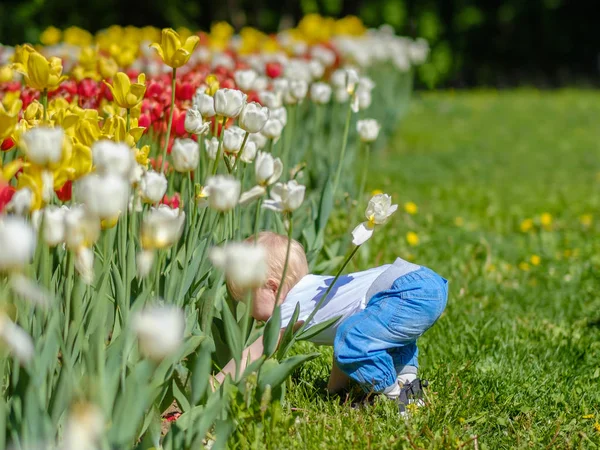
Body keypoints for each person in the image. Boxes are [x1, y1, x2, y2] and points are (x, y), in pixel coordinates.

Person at [214, 231, 448, 412]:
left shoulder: (288, 306)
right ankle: (408, 386)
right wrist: (334, 393)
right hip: (423, 283)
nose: (248, 312)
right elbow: (340, 345)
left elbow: (251, 355)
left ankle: (394, 396)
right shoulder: (315, 290)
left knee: (352, 337)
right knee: (367, 335)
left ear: (272, 287)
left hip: (405, 289)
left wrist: (214, 385)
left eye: (246, 297)